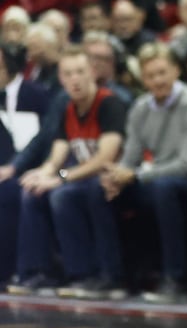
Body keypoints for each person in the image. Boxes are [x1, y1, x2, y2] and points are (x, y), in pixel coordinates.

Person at [8, 47, 127, 298]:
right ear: (61, 79)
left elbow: (104, 158)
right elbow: (58, 153)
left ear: (93, 73)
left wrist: (59, 178)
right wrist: (42, 174)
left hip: (117, 179)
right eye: (68, 74)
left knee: (67, 194)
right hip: (83, 180)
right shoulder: (67, 108)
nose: (75, 79)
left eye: (80, 72)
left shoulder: (110, 103)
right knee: (32, 190)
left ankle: (107, 276)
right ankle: (38, 272)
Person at [99, 42, 187, 303]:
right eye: (150, 75)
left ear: (176, 71)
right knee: (102, 190)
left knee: (164, 188)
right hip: (158, 178)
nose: (157, 80)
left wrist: (135, 175)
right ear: (143, 78)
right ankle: (112, 275)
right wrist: (117, 177)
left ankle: (176, 279)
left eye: (162, 72)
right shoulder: (140, 108)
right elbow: (130, 158)